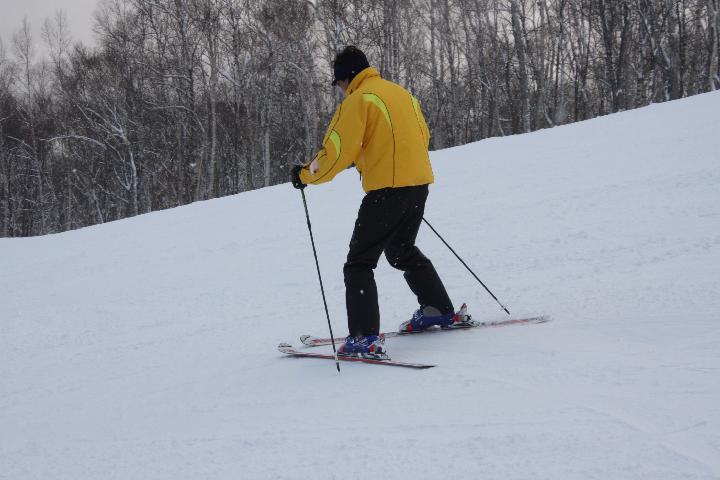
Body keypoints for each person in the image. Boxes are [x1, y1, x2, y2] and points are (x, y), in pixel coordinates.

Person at [291, 46, 471, 359]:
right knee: (401, 249)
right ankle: (437, 309)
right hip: (418, 185)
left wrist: (304, 174)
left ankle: (364, 338)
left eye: (339, 83)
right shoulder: (402, 94)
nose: (340, 89)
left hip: (387, 191)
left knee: (359, 262)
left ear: (346, 77)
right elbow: (422, 136)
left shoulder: (358, 100)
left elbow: (336, 152)